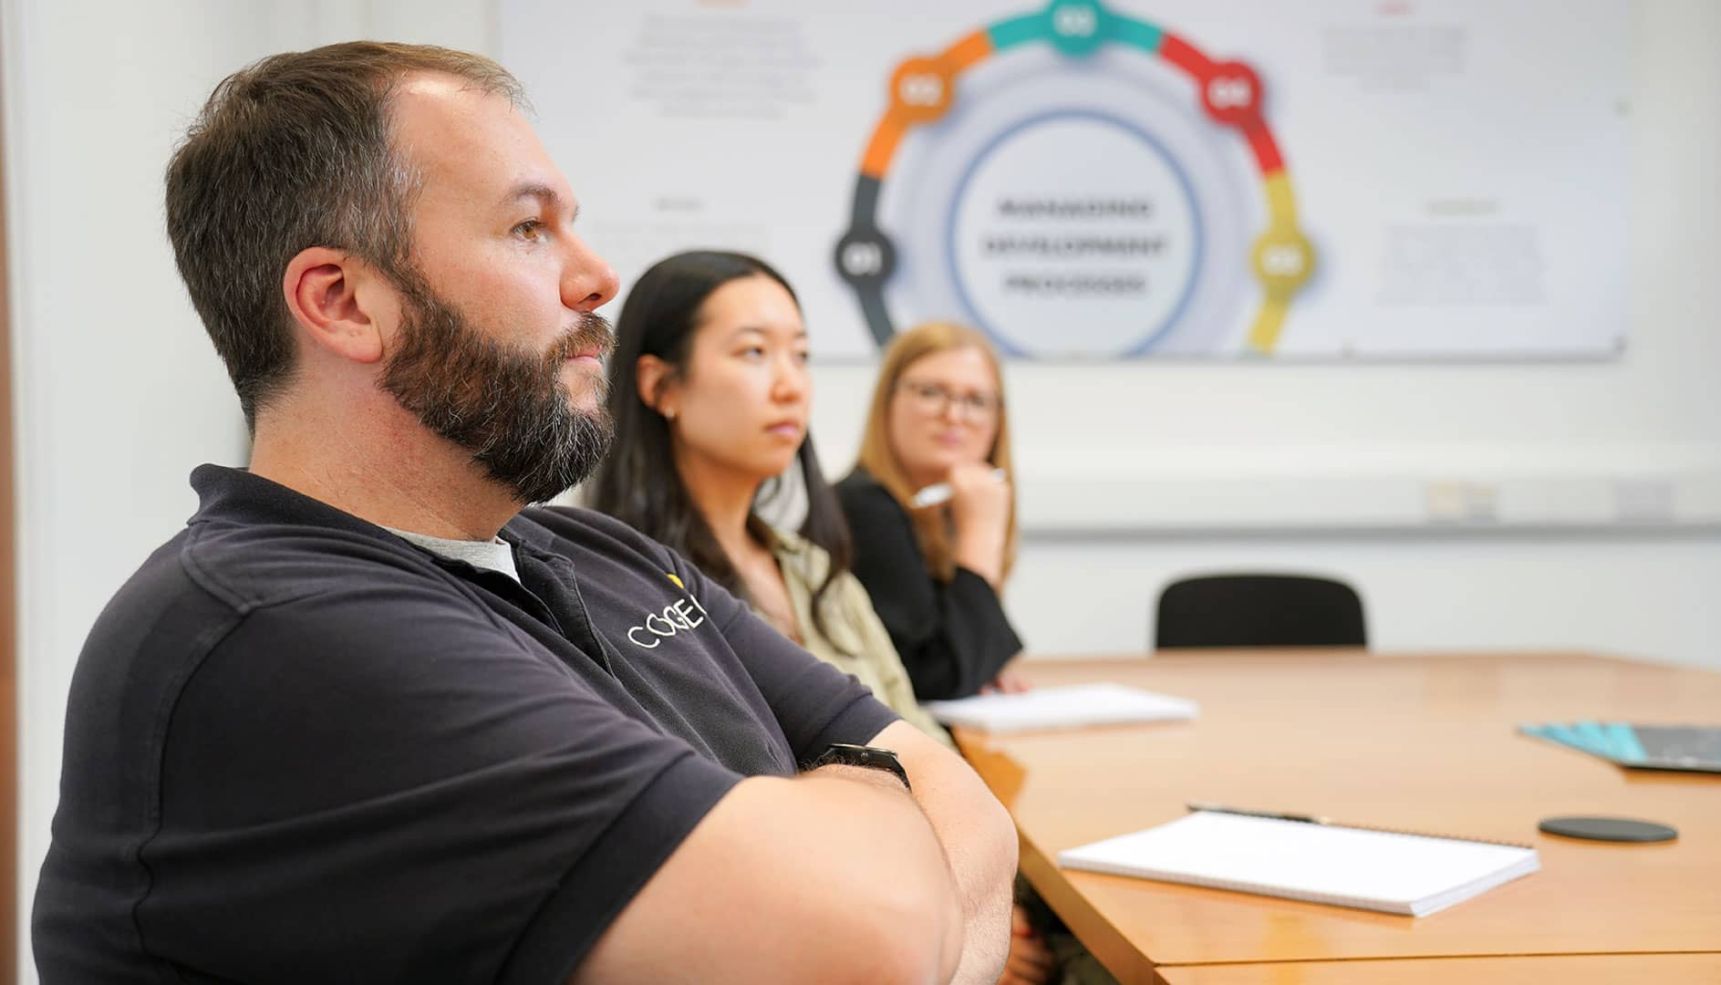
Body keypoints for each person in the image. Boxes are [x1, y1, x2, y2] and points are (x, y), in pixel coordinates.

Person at [31, 43, 1016, 984]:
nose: (596, 277)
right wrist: (881, 799)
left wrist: (862, 852)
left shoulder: (592, 549)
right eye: (527, 228)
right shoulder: (272, 628)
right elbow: (865, 941)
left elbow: (967, 815)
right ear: (342, 302)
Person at [591, 251, 951, 745]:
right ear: (660, 386)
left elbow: (922, 735)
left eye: (800, 356)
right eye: (754, 352)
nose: (791, 387)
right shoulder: (615, 589)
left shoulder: (816, 572)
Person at [837, 322, 1026, 702]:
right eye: (931, 392)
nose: (954, 415)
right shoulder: (864, 506)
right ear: (888, 401)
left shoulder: (944, 510)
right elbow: (936, 679)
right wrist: (981, 536)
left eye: (976, 401)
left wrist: (982, 660)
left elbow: (954, 661)